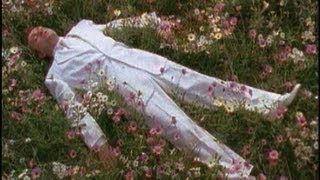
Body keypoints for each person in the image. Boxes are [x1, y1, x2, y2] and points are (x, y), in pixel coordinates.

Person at [26, 12, 300, 179]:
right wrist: (99, 145)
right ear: (39, 54)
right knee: (176, 125)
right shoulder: (55, 75)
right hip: (126, 87)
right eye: (33, 38)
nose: (37, 31)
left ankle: (270, 104)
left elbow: (115, 26)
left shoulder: (82, 27)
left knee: (202, 84)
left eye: (37, 28)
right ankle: (235, 170)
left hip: (142, 60)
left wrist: (151, 21)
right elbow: (75, 111)